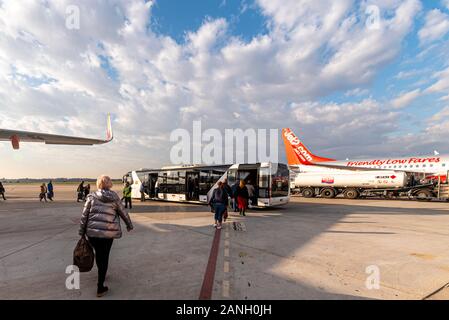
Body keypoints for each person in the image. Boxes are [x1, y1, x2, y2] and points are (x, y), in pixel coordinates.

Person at [79, 175, 134, 297]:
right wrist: (129, 225)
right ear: (109, 184)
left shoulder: (91, 197)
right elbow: (123, 212)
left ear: (98, 184)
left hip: (92, 234)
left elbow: (84, 216)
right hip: (108, 233)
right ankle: (100, 286)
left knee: (99, 255)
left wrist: (81, 232)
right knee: (104, 256)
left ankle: (101, 274)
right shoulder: (114, 198)